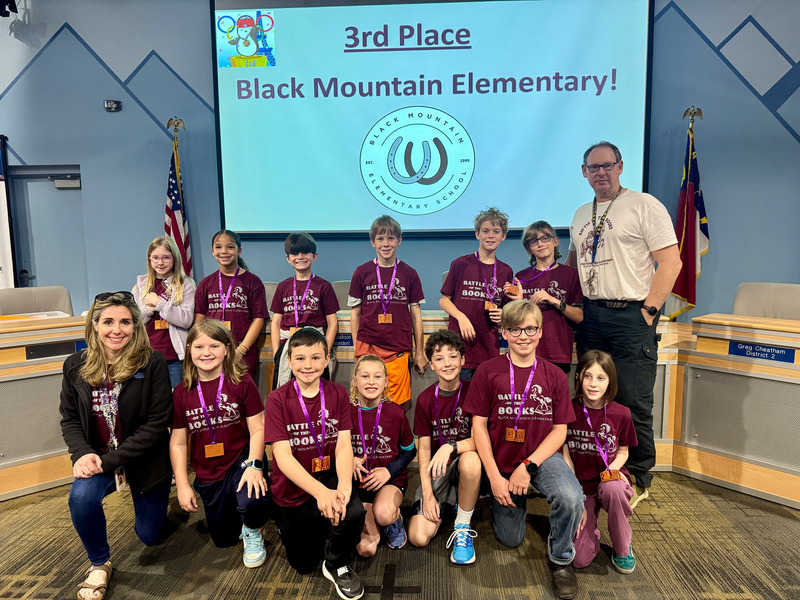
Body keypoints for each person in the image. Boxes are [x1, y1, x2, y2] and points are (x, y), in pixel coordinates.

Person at [566, 141, 681, 508]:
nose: (601, 172)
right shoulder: (582, 213)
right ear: (584, 172)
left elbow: (672, 263)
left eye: (608, 165)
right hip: (592, 315)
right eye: (593, 167)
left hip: (632, 315)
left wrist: (648, 310)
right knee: (591, 395)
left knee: (632, 399)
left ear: (620, 167)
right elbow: (572, 266)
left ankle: (639, 476)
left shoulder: (644, 205)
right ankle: (594, 465)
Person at [465, 299, 584, 600]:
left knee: (571, 498)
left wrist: (528, 466)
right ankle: (501, 500)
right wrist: (493, 477)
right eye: (515, 329)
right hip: (501, 460)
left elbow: (560, 431)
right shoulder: (487, 371)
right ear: (503, 332)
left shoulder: (555, 375)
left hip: (541, 458)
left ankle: (560, 559)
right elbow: (478, 427)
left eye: (530, 329)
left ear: (541, 332)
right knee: (510, 540)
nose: (523, 336)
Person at [60, 291, 172, 600]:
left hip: (145, 460)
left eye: (125, 322)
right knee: (81, 498)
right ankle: (99, 563)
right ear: (94, 325)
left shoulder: (153, 362)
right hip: (99, 458)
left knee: (149, 537)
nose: (116, 330)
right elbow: (69, 419)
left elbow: (156, 424)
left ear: (136, 326)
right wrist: (82, 454)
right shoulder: (75, 366)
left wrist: (111, 461)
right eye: (108, 321)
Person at [264, 328, 366, 600]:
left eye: (315, 358)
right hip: (294, 489)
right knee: (304, 565)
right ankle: (298, 525)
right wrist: (320, 493)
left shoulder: (338, 394)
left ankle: (336, 563)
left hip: (328, 477)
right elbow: (282, 457)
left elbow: (344, 445)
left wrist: (343, 487)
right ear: (288, 362)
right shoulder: (276, 400)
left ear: (326, 360)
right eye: (299, 358)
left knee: (352, 511)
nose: (307, 365)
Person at [169, 320, 270, 567]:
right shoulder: (182, 391)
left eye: (214, 346)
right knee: (223, 539)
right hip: (208, 470)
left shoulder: (242, 381)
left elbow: (258, 428)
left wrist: (255, 465)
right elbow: (179, 443)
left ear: (227, 349)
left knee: (251, 499)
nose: (206, 353)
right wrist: (182, 485)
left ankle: (253, 528)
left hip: (241, 460)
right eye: (199, 347)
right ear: (189, 349)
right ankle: (239, 513)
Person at [408, 329, 482, 565]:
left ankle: (462, 526)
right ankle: (447, 504)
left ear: (463, 359)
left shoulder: (474, 391)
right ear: (431, 365)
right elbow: (424, 453)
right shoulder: (425, 399)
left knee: (471, 460)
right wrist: (428, 495)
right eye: (439, 359)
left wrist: (450, 446)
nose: (447, 363)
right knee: (418, 537)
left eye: (453, 356)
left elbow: (481, 441)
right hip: (438, 471)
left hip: (466, 464)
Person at [563, 350, 638, 573]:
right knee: (578, 559)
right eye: (588, 376)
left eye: (600, 378)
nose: (593, 384)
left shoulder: (621, 413)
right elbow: (564, 451)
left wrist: (611, 470)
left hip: (609, 480)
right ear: (578, 377)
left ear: (610, 381)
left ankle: (622, 546)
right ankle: (591, 531)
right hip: (581, 486)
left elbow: (623, 451)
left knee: (613, 488)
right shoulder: (569, 409)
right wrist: (575, 495)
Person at [348, 215, 426, 409]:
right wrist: (357, 348)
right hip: (368, 348)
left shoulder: (410, 273)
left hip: (398, 350)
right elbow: (355, 315)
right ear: (372, 242)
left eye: (391, 238)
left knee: (395, 408)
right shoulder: (361, 272)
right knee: (366, 404)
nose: (386, 243)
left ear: (399, 241)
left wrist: (419, 352)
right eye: (380, 239)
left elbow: (416, 315)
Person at [349, 355, 416, 555]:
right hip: (359, 484)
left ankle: (395, 520)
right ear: (355, 380)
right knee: (365, 549)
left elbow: (410, 450)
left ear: (386, 381)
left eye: (377, 377)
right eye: (365, 376)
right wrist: (348, 459)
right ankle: (371, 516)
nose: (371, 382)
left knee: (384, 515)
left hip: (390, 480)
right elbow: (335, 449)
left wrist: (389, 471)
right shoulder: (346, 412)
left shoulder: (396, 412)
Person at [441, 207, 514, 380]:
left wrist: (503, 314)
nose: (491, 235)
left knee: (484, 401)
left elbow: (506, 309)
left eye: (496, 232)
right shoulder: (461, 264)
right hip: (460, 346)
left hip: (487, 348)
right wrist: (461, 317)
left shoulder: (506, 270)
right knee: (460, 401)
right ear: (477, 234)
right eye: (486, 231)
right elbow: (444, 301)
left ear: (503, 236)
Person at [505, 221, 583, 374]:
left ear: (555, 241)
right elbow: (512, 320)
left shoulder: (571, 274)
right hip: (526, 351)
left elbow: (580, 317)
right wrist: (519, 301)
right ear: (529, 248)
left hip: (557, 352)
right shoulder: (521, 277)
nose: (540, 244)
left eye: (545, 238)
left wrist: (554, 301)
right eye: (534, 241)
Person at [195, 230, 268, 379]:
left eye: (230, 247)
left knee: (242, 395)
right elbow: (199, 320)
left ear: (239, 251)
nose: (224, 251)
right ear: (213, 251)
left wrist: (241, 350)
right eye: (218, 247)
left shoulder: (253, 282)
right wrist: (202, 348)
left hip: (242, 351)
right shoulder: (206, 284)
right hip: (211, 352)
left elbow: (259, 319)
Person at [270, 232, 340, 389]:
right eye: (294, 253)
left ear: (314, 256)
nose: (300, 257)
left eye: (305, 252)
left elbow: (332, 322)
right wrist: (277, 352)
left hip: (315, 347)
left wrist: (324, 350)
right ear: (288, 258)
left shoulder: (324, 286)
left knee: (315, 390)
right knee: (286, 391)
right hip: (288, 347)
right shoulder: (283, 286)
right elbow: (276, 323)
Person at [133, 236, 196, 388]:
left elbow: (186, 319)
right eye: (155, 258)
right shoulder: (141, 285)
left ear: (174, 258)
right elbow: (134, 321)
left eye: (166, 258)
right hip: (146, 355)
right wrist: (148, 310)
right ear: (149, 259)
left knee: (175, 400)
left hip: (174, 357)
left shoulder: (185, 284)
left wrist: (159, 304)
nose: (160, 263)